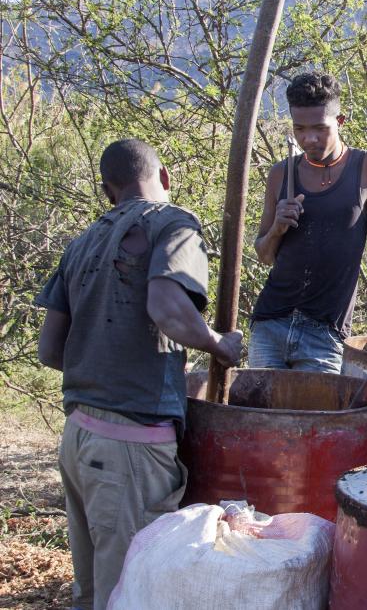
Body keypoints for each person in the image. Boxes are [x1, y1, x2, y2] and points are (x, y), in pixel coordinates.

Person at [35, 139, 244, 610]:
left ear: (108, 191)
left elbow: (50, 349)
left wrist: (107, 358)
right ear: (164, 176)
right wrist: (217, 344)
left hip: (80, 438)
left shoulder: (85, 240)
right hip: (129, 446)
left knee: (92, 591)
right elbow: (166, 306)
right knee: (131, 591)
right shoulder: (173, 224)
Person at [250, 71, 367, 372]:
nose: (309, 138)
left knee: (316, 420)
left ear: (340, 121)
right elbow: (264, 254)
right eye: (299, 129)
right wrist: (277, 229)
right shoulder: (281, 174)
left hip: (326, 335)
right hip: (270, 325)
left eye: (320, 128)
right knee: (264, 419)